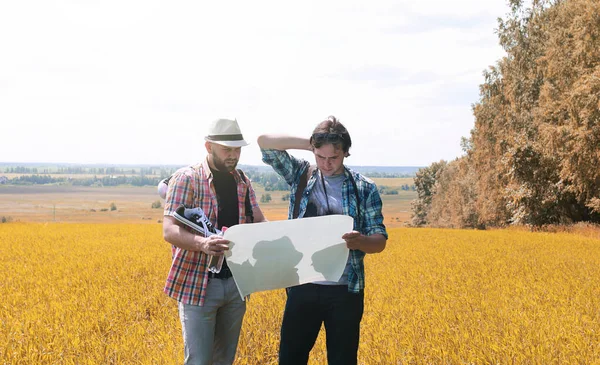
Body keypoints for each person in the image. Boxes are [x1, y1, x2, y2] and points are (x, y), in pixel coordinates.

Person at [257, 116, 388, 365]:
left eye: (334, 158)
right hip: (302, 286)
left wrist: (360, 241)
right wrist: (310, 143)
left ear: (346, 153)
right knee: (290, 359)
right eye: (320, 157)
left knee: (342, 360)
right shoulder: (301, 175)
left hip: (345, 291)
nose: (326, 164)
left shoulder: (364, 188)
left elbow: (379, 240)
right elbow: (264, 143)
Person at [162, 118, 266, 365]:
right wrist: (203, 244)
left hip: (237, 284)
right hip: (199, 284)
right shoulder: (186, 179)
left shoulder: (242, 181)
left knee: (224, 360)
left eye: (237, 149)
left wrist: (284, 238)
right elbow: (169, 230)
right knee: (199, 361)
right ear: (209, 147)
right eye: (227, 149)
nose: (233, 155)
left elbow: (259, 221)